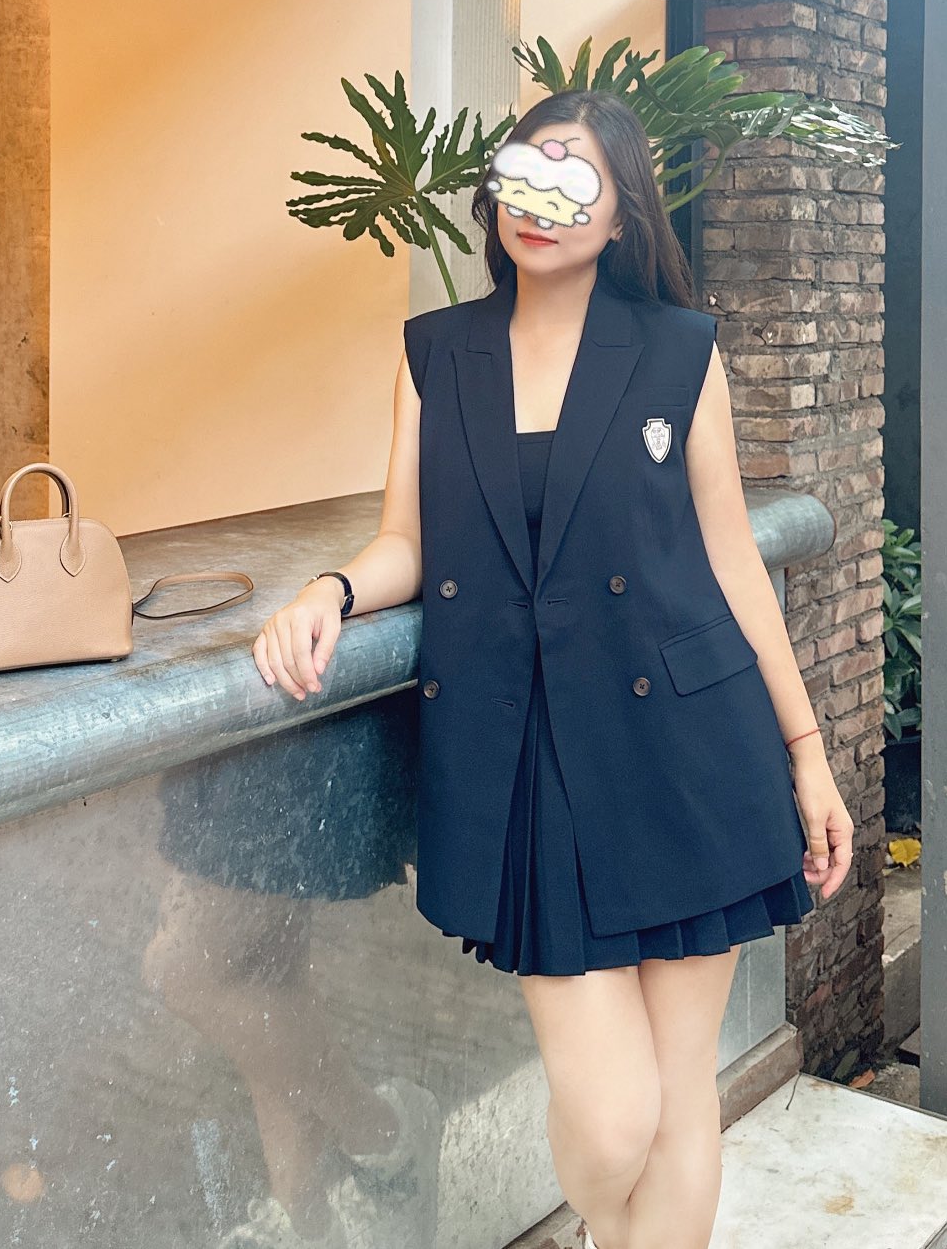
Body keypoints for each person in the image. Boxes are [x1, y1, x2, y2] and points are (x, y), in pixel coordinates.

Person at [252, 89, 853, 1249]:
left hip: (689, 749)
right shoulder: (438, 354)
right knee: (615, 1123)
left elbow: (731, 555)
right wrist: (330, 593)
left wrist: (807, 752)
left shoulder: (680, 351)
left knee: (682, 1101)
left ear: (621, 213)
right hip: (528, 762)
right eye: (522, 174)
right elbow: (407, 542)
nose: (538, 202)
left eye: (572, 181)